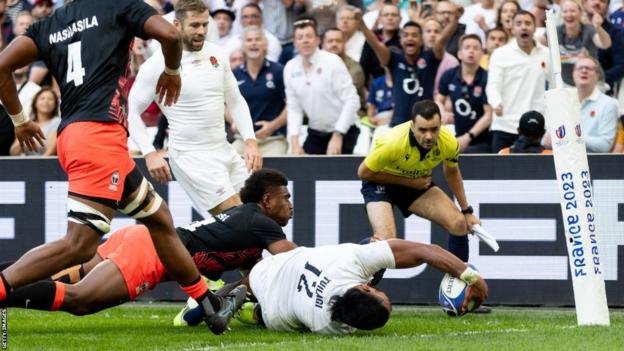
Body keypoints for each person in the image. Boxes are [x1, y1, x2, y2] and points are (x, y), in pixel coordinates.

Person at [0, 0, 231, 335]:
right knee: (79, 245)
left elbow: (3, 65)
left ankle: (206, 301)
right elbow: (169, 33)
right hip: (99, 138)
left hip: (78, 136)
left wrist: (21, 121)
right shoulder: (117, 6)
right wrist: (172, 72)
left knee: (159, 218)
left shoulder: (49, 23)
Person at [0, 169, 297, 321]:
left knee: (66, 275)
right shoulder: (263, 223)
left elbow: (254, 276)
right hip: (153, 253)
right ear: (267, 200)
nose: (290, 204)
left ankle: (5, 279)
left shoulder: (249, 221)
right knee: (82, 299)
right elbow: (293, 262)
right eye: (286, 197)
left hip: (139, 239)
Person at [129, 0, 261, 217]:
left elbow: (235, 100)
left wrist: (250, 141)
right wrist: (149, 153)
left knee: (258, 216)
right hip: (191, 158)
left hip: (224, 149)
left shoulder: (217, 54)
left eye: (204, 25)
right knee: (239, 218)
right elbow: (130, 111)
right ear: (177, 25)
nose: (201, 32)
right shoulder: (156, 65)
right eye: (194, 26)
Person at [246, 238, 488, 334]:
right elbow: (423, 252)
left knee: (375, 247)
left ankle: (239, 296)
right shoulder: (328, 327)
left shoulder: (350, 262)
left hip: (270, 269)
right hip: (274, 313)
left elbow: (424, 251)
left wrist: (472, 279)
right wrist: (472, 279)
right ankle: (250, 311)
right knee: (274, 315)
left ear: (364, 288)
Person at [358, 100, 481, 264]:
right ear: (412, 126)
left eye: (434, 129)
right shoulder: (393, 143)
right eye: (422, 130)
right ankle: (356, 254)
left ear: (441, 124)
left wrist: (466, 211)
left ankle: (461, 282)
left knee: (459, 224)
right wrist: (409, 182)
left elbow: (452, 172)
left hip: (417, 182)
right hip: (380, 182)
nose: (429, 136)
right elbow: (364, 172)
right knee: (386, 245)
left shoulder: (449, 142)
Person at [357, 8, 457, 127]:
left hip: (426, 124)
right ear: (401, 40)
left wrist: (455, 19)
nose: (410, 38)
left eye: (414, 35)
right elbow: (376, 44)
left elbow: (442, 40)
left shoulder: (430, 58)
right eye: (406, 35)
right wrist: (362, 24)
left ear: (421, 40)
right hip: (399, 123)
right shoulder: (393, 58)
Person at [285, 19, 360, 155]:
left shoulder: (332, 62)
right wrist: (294, 142)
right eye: (300, 38)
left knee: (338, 173)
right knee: (305, 171)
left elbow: (352, 100)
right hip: (315, 132)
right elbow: (294, 108)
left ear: (317, 40)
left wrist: (338, 135)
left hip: (344, 131)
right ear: (295, 43)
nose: (305, 41)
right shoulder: (290, 67)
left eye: (309, 36)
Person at [486, 10, 549, 152]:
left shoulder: (547, 54)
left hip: (537, 126)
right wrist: (495, 102)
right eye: (519, 23)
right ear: (512, 29)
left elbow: (555, 86)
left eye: (528, 23)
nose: (524, 27)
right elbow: (493, 85)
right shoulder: (500, 54)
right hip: (505, 124)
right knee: (502, 172)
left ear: (534, 28)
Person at [233, 26, 288, 156]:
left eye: (257, 39)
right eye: (249, 40)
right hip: (243, 140)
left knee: (274, 172)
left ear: (265, 44)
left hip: (273, 140)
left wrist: (273, 125)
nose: (253, 43)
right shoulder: (234, 74)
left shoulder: (279, 71)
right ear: (243, 46)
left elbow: (292, 105)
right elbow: (223, 104)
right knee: (230, 163)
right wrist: (234, 120)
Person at [436, 34, 492, 153]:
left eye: (476, 48)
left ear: (482, 54)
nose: (471, 51)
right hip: (455, 135)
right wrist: (442, 112)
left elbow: (488, 114)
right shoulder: (449, 75)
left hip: (481, 140)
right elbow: (438, 99)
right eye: (467, 47)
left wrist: (468, 137)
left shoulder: (487, 78)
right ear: (459, 53)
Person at [573, 56, 619, 153]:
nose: (584, 71)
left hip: (595, 164)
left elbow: (605, 145)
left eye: (589, 68)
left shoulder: (609, 104)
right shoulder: (564, 102)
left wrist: (572, 138)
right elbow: (546, 139)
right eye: (580, 68)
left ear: (597, 75)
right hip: (565, 162)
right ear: (573, 74)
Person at [9, 86, 60, 156]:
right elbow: (13, 152)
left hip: (45, 165)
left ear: (55, 104)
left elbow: (50, 152)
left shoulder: (57, 122)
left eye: (50, 99)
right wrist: (23, 143)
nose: (46, 101)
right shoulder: (26, 124)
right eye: (42, 98)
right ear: (35, 103)